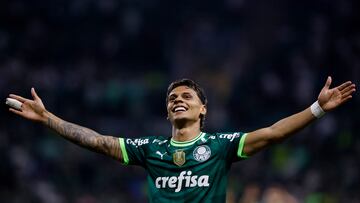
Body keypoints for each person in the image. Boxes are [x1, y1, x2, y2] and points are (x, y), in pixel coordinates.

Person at [8, 77, 356, 202]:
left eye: (187, 96)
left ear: (203, 109)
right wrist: (47, 117)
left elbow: (273, 133)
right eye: (173, 98)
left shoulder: (220, 145)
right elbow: (98, 141)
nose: (178, 99)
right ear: (167, 112)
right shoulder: (151, 149)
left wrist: (317, 109)